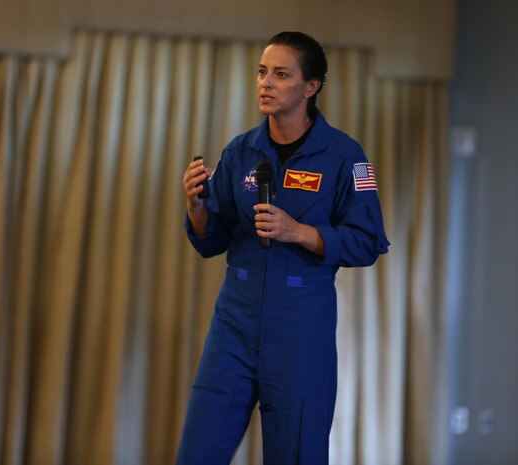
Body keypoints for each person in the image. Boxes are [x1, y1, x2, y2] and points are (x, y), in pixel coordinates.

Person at [176, 31, 389, 465]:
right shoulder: (241, 151)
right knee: (197, 454)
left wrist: (301, 232)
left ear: (311, 87)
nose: (265, 83)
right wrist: (197, 205)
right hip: (233, 329)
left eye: (280, 74)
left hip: (300, 334)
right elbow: (212, 239)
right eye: (261, 72)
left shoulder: (345, 156)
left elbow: (368, 240)